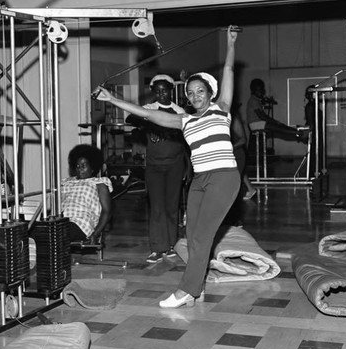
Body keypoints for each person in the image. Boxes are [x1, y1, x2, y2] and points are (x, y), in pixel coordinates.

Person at [94, 26, 240, 308]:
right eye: (191, 93)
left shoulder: (222, 109)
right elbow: (148, 114)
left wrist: (231, 43)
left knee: (203, 235)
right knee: (193, 238)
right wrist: (112, 99)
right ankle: (197, 287)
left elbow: (230, 71)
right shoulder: (184, 120)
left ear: (211, 93)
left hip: (224, 177)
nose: (196, 95)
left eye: (201, 91)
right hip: (199, 180)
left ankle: (186, 289)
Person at [126, 74, 190, 263]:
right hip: (154, 166)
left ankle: (171, 245)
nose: (162, 94)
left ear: (171, 90)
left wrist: (188, 167)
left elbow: (187, 143)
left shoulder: (179, 111)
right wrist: (147, 120)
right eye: (158, 91)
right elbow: (131, 117)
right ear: (154, 92)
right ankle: (157, 248)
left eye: (165, 90)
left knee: (172, 206)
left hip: (175, 165)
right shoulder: (149, 109)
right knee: (157, 207)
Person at [61, 144, 113, 244]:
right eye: (77, 165)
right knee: (33, 230)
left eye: (84, 165)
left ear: (92, 167)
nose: (80, 168)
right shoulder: (66, 182)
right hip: (60, 221)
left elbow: (107, 211)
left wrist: (95, 234)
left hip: (80, 223)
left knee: (56, 233)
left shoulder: (99, 183)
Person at [304, 84, 324, 178]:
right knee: (314, 153)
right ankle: (313, 174)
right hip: (315, 133)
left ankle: (316, 172)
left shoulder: (315, 105)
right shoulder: (310, 106)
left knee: (318, 153)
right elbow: (310, 122)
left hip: (318, 132)